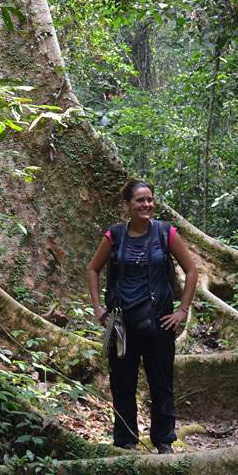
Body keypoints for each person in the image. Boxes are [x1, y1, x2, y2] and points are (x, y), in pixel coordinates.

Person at [87, 179, 198, 453]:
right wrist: (98, 308)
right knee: (122, 384)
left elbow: (192, 270)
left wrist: (182, 311)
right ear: (127, 204)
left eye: (149, 199)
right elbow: (93, 269)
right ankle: (125, 443)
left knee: (161, 382)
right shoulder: (114, 235)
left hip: (159, 322)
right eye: (140, 200)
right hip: (122, 324)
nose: (146, 205)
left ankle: (164, 441)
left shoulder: (166, 233)